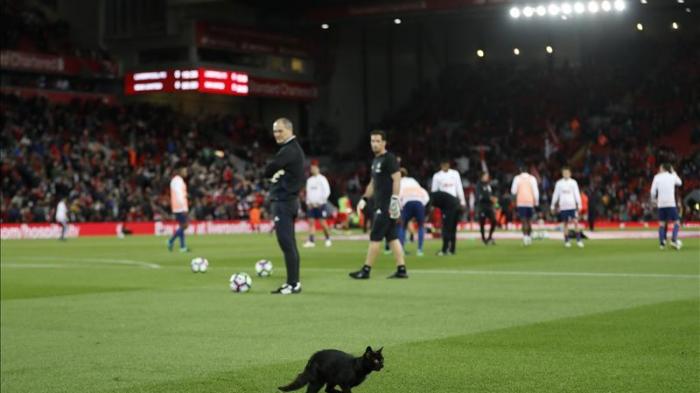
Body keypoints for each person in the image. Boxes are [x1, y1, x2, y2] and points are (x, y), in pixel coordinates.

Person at [349, 130, 408, 279]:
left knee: (375, 237)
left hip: (386, 205)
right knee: (392, 237)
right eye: (372, 141)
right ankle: (401, 269)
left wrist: (394, 200)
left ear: (384, 142)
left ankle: (366, 270)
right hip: (380, 204)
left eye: (377, 141)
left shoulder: (389, 158)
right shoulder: (376, 161)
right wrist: (364, 198)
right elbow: (373, 183)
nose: (374, 144)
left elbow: (397, 179)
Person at [265, 118, 306, 294]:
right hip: (288, 201)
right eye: (274, 131)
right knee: (289, 243)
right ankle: (293, 282)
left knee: (286, 243)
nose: (276, 135)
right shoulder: (292, 149)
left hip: (284, 202)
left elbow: (269, 168)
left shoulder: (289, 150)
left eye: (280, 131)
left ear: (290, 130)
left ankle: (293, 283)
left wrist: (274, 173)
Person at [431, 159, 466, 254]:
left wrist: (462, 201)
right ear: (441, 165)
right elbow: (434, 191)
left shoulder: (455, 174)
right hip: (444, 204)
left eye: (447, 164)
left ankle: (449, 249)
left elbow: (459, 187)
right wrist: (434, 206)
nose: (445, 166)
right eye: (443, 164)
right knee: (447, 227)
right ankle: (448, 248)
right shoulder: (437, 176)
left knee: (450, 227)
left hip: (453, 204)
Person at [650, 163, 683, 250]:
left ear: (663, 168)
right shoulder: (672, 176)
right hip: (671, 203)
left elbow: (652, 191)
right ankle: (673, 240)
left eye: (660, 167)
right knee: (677, 222)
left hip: (661, 204)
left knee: (661, 224)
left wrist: (654, 200)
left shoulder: (656, 177)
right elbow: (680, 183)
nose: (659, 169)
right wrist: (674, 172)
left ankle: (662, 243)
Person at [398, 168, 429, 256]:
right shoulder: (413, 180)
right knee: (421, 226)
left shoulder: (399, 182)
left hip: (407, 203)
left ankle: (402, 250)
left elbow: (398, 196)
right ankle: (420, 250)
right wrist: (422, 205)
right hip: (419, 202)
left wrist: (400, 209)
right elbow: (425, 195)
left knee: (402, 226)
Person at [550, 166, 584, 248]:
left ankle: (579, 240)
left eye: (567, 173)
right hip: (563, 207)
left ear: (570, 173)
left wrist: (579, 204)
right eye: (564, 173)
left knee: (576, 222)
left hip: (572, 206)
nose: (566, 174)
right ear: (562, 174)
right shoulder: (559, 183)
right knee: (565, 224)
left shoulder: (573, 182)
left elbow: (577, 194)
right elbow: (556, 194)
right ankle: (566, 241)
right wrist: (552, 205)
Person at [303, 161, 332, 248]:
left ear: (318, 169)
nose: (313, 170)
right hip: (311, 205)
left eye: (314, 168)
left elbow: (327, 191)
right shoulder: (309, 180)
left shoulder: (322, 179)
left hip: (320, 205)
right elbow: (308, 192)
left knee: (323, 223)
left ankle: (328, 238)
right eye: (312, 168)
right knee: (311, 223)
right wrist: (308, 202)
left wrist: (321, 202)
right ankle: (311, 241)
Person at [511, 165, 539, 246]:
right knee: (529, 220)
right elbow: (536, 191)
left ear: (520, 170)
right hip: (530, 202)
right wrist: (536, 202)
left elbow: (513, 191)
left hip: (521, 202)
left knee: (523, 220)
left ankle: (525, 237)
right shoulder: (532, 178)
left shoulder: (517, 178)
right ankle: (529, 237)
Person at [167, 165, 190, 252]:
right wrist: (184, 207)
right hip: (180, 206)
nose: (186, 173)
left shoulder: (175, 181)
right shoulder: (178, 181)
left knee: (182, 226)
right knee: (185, 225)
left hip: (177, 206)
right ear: (180, 172)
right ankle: (171, 240)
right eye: (184, 171)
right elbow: (179, 195)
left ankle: (182, 247)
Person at [475, 172, 497, 245]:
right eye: (486, 176)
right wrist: (490, 198)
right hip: (482, 207)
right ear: (482, 176)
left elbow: (489, 193)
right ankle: (483, 239)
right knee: (482, 223)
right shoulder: (479, 185)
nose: (487, 177)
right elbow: (480, 196)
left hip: (489, 206)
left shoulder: (488, 184)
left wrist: (493, 199)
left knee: (494, 221)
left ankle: (489, 237)